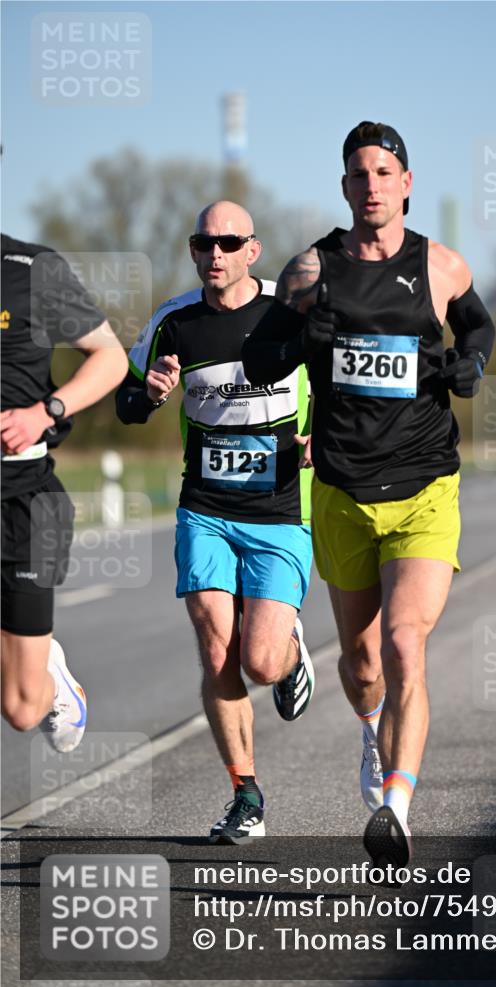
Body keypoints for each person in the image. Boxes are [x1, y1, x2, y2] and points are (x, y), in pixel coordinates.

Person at [242, 122, 495, 866]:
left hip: (423, 485)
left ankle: (396, 803)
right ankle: (369, 726)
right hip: (343, 490)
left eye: (384, 172)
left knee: (403, 642)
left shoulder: (442, 266)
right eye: (358, 174)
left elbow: (477, 328)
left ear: (406, 182)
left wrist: (469, 367)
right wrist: (301, 340)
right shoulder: (308, 270)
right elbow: (260, 361)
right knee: (361, 665)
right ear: (344, 186)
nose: (371, 185)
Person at [116, 201, 314, 844]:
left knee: (258, 661)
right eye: (205, 243)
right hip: (205, 506)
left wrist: (328, 438)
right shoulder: (174, 321)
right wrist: (147, 393)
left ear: (252, 250)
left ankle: (288, 656)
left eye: (229, 242)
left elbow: (342, 388)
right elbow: (123, 401)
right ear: (194, 250)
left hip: (281, 508)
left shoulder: (288, 317)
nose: (216, 254)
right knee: (214, 643)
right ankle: (245, 793)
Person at [1, 233, 128, 752]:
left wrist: (43, 413)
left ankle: (50, 676)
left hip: (24, 501)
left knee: (21, 708)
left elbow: (111, 357)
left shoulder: (32, 268)